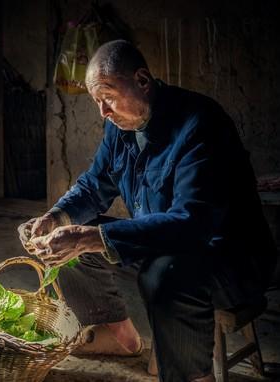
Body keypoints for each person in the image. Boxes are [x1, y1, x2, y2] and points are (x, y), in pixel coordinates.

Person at [18, 39, 277, 382]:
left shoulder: (200, 123)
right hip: (165, 246)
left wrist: (95, 237)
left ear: (142, 80)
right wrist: (56, 218)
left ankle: (191, 376)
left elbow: (191, 224)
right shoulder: (118, 127)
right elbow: (94, 185)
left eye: (107, 97)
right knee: (69, 242)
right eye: (97, 102)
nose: (103, 113)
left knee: (164, 273)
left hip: (228, 258)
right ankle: (119, 334)